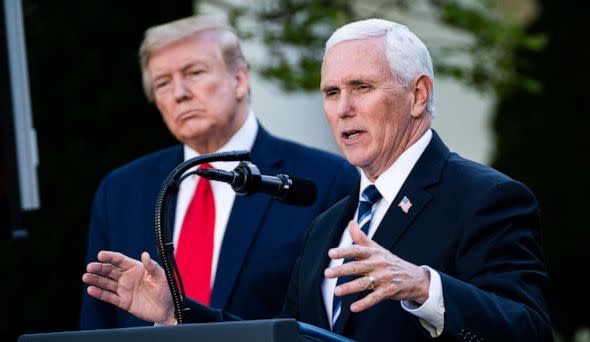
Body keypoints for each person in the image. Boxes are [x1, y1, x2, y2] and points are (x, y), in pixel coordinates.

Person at [83, 18, 553, 341]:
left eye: (361, 88)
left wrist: (425, 287)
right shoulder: (331, 222)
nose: (342, 108)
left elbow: (529, 331)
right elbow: (285, 337)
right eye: (331, 92)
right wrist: (175, 313)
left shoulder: (485, 197)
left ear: (418, 94)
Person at [79, 14, 358, 330]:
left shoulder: (325, 179)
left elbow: (330, 321)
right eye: (163, 83)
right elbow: (98, 320)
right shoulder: (121, 191)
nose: (179, 93)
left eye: (194, 73)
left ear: (239, 79)